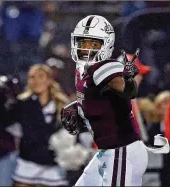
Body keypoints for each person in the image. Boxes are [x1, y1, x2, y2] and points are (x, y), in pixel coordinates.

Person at [61, 15, 148, 186]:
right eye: (83, 42)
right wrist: (81, 112)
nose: (86, 48)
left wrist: (128, 82)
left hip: (122, 151)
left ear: (106, 44)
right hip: (108, 151)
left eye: (93, 44)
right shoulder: (81, 71)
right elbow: (105, 109)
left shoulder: (104, 67)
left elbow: (126, 89)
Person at [0, 64, 69, 187]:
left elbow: (70, 134)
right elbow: (2, 121)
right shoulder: (22, 103)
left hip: (52, 166)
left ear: (49, 80)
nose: (36, 81)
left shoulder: (62, 104)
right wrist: (0, 99)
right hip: (27, 163)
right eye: (32, 77)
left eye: (41, 76)